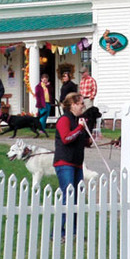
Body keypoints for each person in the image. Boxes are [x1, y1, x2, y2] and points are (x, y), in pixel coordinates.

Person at [54, 91, 91, 238]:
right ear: (73, 105)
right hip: (65, 163)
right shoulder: (64, 119)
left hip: (76, 164)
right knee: (68, 197)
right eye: (81, 103)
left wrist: (88, 139)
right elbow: (66, 138)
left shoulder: (78, 121)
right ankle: (59, 232)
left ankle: (74, 231)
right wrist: (80, 129)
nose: (83, 106)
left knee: (76, 198)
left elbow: (79, 139)